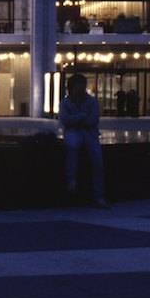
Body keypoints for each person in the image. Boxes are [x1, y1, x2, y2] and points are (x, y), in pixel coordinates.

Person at [58, 73, 106, 207]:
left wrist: (76, 119)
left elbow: (93, 119)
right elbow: (65, 120)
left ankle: (98, 194)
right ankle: (72, 182)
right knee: (72, 148)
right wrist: (82, 117)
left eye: (82, 88)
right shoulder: (66, 103)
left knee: (97, 159)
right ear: (71, 88)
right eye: (78, 88)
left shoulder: (90, 101)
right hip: (79, 132)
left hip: (88, 133)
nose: (80, 91)